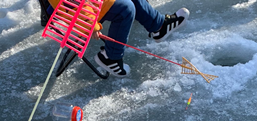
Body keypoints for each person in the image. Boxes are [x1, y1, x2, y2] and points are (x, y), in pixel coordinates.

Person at [42, 0, 189, 77]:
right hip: (76, 11)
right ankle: (111, 58)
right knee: (125, 9)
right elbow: (73, 4)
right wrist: (90, 24)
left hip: (89, 3)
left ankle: (159, 26)